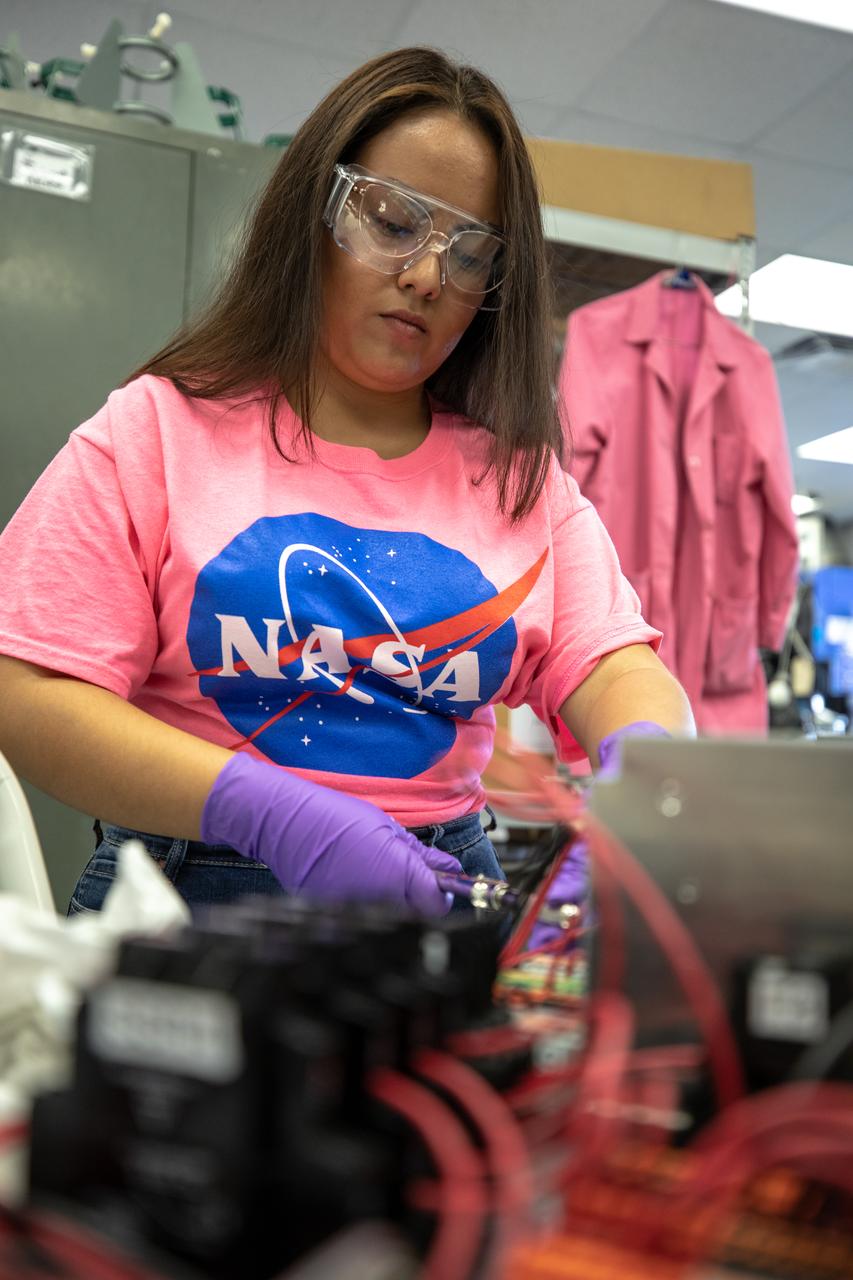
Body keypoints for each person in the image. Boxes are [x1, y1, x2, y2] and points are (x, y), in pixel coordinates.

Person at [0, 47, 694, 920]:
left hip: (439, 888)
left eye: (468, 252)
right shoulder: (159, 429)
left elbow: (611, 664)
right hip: (192, 889)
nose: (426, 276)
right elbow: (24, 689)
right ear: (312, 216)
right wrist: (265, 810)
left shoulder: (520, 478)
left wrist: (649, 774)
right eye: (394, 222)